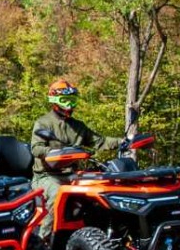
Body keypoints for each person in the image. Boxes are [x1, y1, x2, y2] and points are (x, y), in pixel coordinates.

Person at [30, 78, 123, 237]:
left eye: (73, 100)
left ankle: (100, 236)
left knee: (101, 190)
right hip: (47, 176)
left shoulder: (78, 126)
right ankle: (43, 241)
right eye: (66, 100)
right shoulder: (43, 123)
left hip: (73, 175)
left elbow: (100, 142)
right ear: (54, 100)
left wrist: (124, 141)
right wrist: (53, 153)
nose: (70, 105)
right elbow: (36, 148)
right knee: (58, 194)